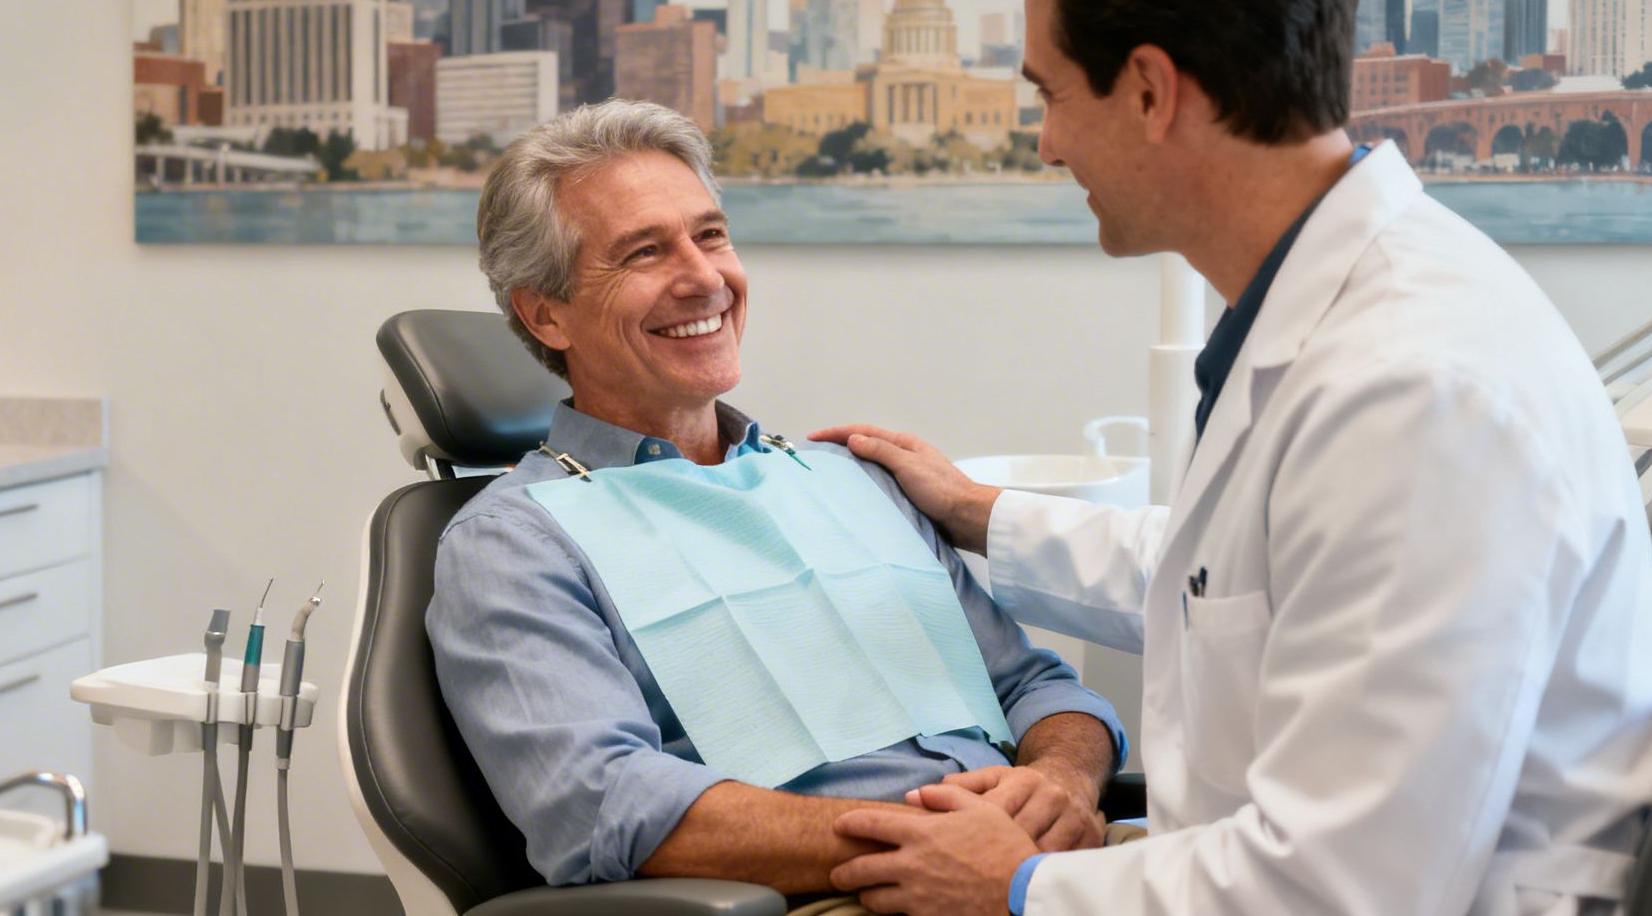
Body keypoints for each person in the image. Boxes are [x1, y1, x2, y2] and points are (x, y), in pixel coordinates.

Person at [812, 0, 1652, 916]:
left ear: (1146, 91)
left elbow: (1349, 886)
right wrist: (980, 513)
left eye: (1048, 94)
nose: (1044, 146)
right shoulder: (1340, 315)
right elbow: (1226, 584)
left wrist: (1021, 887)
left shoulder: (1414, 388)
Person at [426, 99, 1127, 900]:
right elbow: (605, 803)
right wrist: (934, 844)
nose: (703, 278)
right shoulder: (516, 542)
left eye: (712, 234)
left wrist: (1063, 782)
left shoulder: (852, 479)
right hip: (851, 893)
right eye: (644, 253)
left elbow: (1038, 689)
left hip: (1040, 867)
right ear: (546, 312)